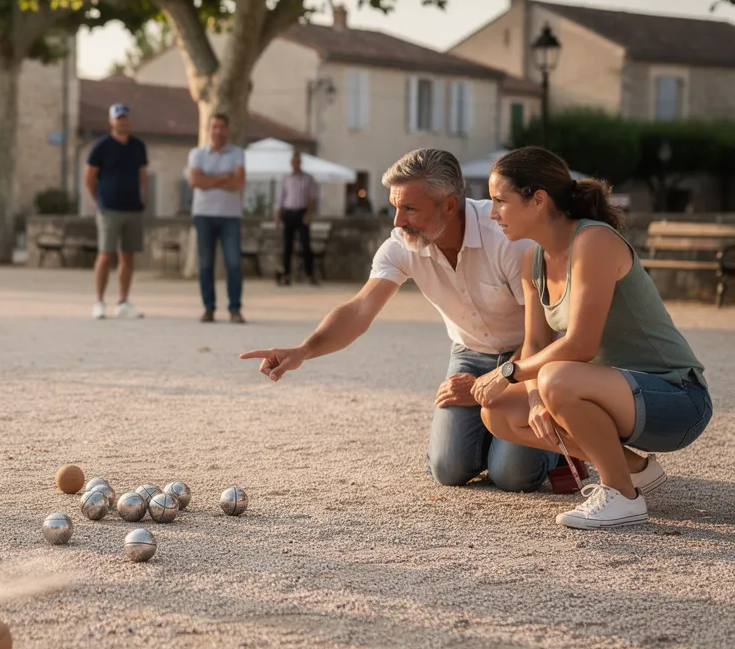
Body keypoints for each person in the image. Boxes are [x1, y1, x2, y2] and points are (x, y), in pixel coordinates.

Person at [241, 148, 558, 492]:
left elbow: (543, 335)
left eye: (409, 208)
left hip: (528, 357)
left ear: (449, 205)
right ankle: (491, 436)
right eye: (395, 206)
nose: (397, 221)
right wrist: (303, 350)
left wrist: (499, 381)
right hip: (469, 353)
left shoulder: (506, 239)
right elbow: (359, 310)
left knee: (514, 477)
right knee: (448, 470)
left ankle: (559, 448)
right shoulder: (401, 245)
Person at [474, 147, 711, 529]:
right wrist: (534, 399)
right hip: (617, 395)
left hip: (678, 398)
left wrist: (508, 372)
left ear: (538, 200)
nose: (493, 212)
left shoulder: (593, 241)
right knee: (499, 411)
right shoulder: (531, 259)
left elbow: (580, 345)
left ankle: (622, 496)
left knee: (556, 376)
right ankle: (634, 469)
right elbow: (535, 342)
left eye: (500, 201)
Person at [85, 103, 147, 319]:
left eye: (125, 118)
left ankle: (123, 301)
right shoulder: (101, 146)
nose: (123, 121)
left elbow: (142, 174)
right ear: (112, 121)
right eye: (118, 118)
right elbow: (90, 177)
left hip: (133, 208)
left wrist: (143, 197)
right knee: (105, 254)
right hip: (109, 209)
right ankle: (99, 301)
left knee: (127, 256)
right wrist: (99, 200)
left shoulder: (138, 146)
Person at [187, 113, 247, 323]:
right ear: (208, 129)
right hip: (204, 214)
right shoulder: (197, 153)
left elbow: (238, 183)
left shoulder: (237, 153)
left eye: (222, 127)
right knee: (205, 264)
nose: (218, 131)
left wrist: (209, 179)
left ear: (227, 129)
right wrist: (223, 177)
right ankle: (208, 308)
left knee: (233, 263)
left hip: (230, 216)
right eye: (214, 127)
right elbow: (195, 181)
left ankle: (235, 309)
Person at [275, 151, 319, 286]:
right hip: (289, 213)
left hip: (301, 212)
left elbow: (312, 198)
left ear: (300, 163)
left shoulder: (308, 179)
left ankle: (309, 274)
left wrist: (308, 214)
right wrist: (277, 217)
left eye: (297, 162)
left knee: (306, 245)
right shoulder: (286, 179)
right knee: (287, 246)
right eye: (293, 162)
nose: (295, 164)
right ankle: (286, 274)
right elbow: (281, 199)